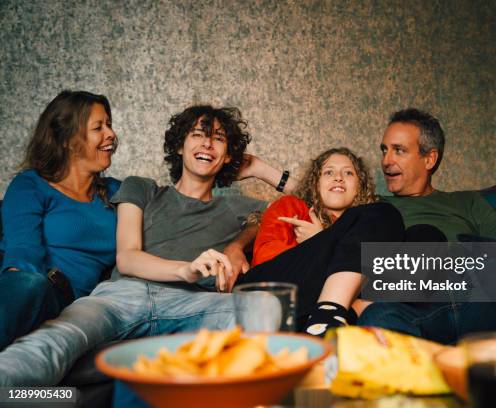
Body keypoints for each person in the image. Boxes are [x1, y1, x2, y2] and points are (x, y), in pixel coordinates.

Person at [0, 105, 405, 386]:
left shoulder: (240, 207)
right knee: (55, 341)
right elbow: (127, 256)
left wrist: (249, 207)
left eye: (219, 140)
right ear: (179, 145)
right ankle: (23, 393)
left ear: (229, 154)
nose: (208, 144)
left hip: (197, 303)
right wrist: (186, 268)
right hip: (121, 294)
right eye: (199, 135)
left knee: (268, 317)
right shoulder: (140, 188)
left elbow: (309, 190)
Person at [357, 108, 496, 347]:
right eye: (384, 150)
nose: (386, 161)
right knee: (377, 317)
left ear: (429, 158)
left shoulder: (467, 201)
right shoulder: (374, 206)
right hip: (420, 306)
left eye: (398, 150)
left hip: (481, 296)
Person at [0, 90, 120, 350]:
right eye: (98, 127)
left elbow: (171, 208)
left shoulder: (116, 193)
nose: (110, 134)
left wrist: (233, 244)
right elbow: (23, 250)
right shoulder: (30, 185)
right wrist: (24, 291)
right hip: (35, 288)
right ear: (67, 140)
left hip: (78, 307)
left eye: (109, 124)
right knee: (30, 283)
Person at [249, 147, 376, 334]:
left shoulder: (370, 224)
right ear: (315, 183)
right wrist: (321, 242)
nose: (338, 177)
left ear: (360, 185)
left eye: (348, 173)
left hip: (317, 308)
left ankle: (333, 320)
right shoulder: (292, 206)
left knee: (395, 219)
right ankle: (328, 318)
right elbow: (265, 260)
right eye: (329, 172)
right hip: (276, 291)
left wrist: (322, 237)